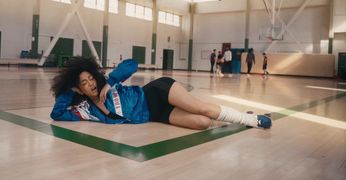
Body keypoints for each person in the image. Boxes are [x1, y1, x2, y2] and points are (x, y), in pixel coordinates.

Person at [50, 57, 272, 130]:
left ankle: (251, 119)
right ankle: (232, 117)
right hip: (155, 115)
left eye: (91, 79)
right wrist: (70, 88)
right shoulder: (85, 111)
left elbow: (132, 64)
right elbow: (57, 113)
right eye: (84, 83)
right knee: (203, 122)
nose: (91, 84)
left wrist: (111, 80)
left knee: (201, 107)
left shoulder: (110, 85)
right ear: (79, 89)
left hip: (156, 93)